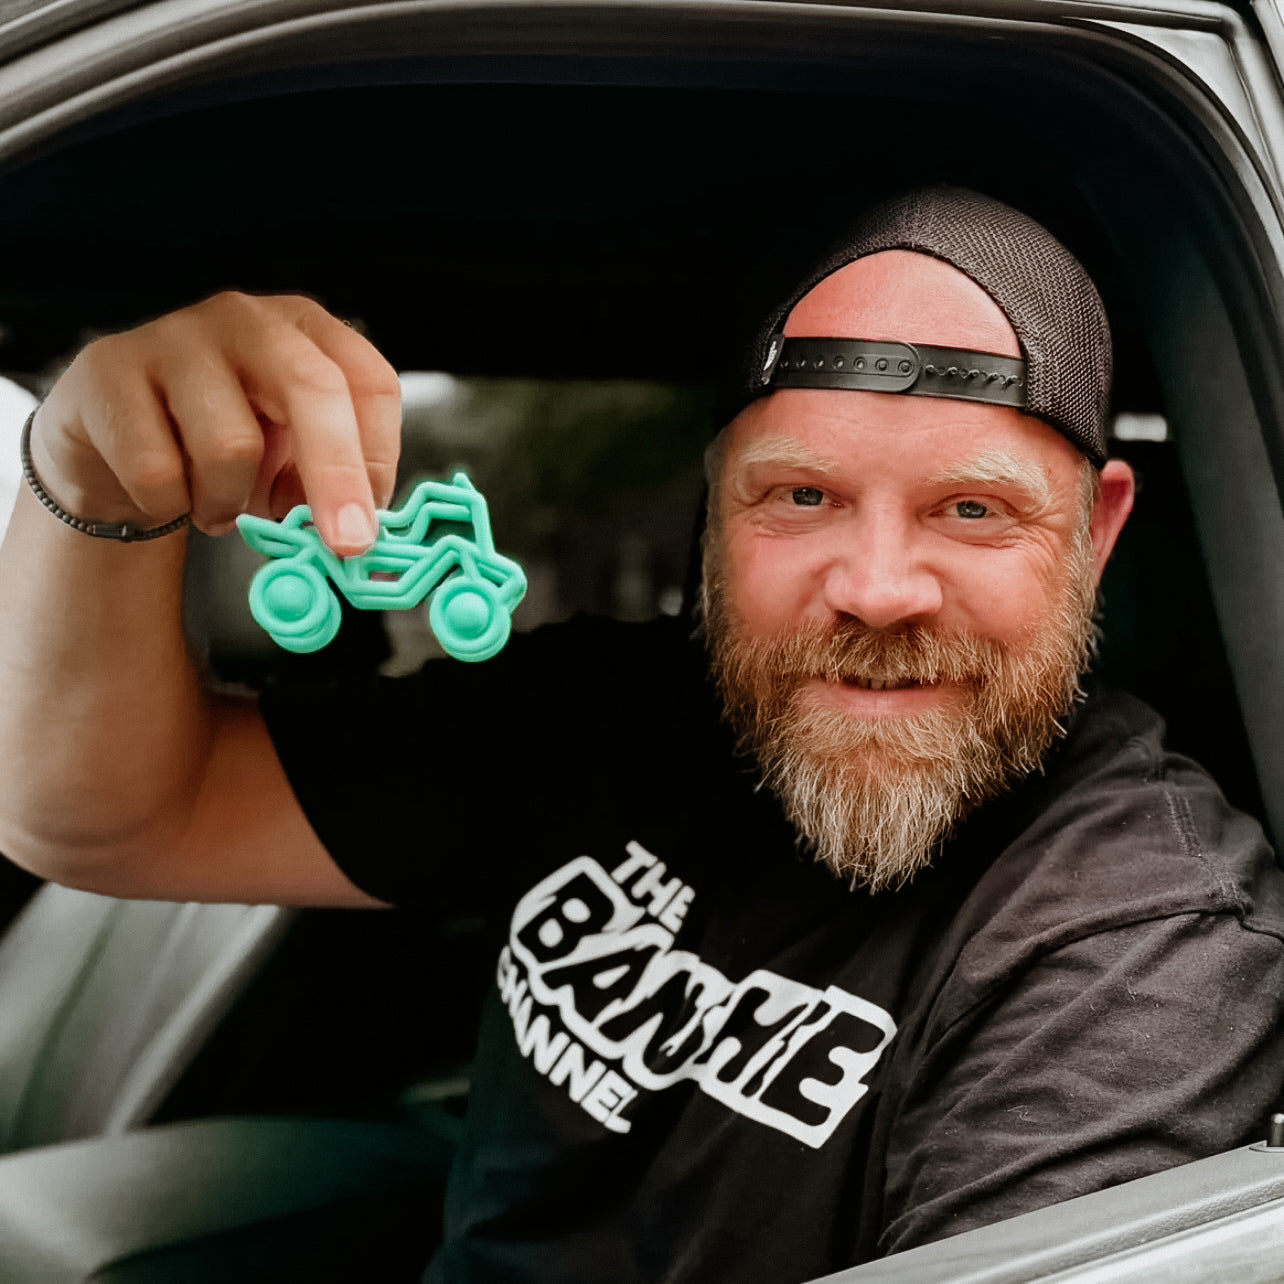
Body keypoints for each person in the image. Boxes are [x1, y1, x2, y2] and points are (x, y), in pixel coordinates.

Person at [1, 186, 1282, 1282]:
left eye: (972, 509)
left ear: (1097, 531)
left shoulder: (1143, 950)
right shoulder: (604, 714)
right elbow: (103, 818)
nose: (878, 588)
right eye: (802, 495)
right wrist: (90, 481)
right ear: (718, 512)